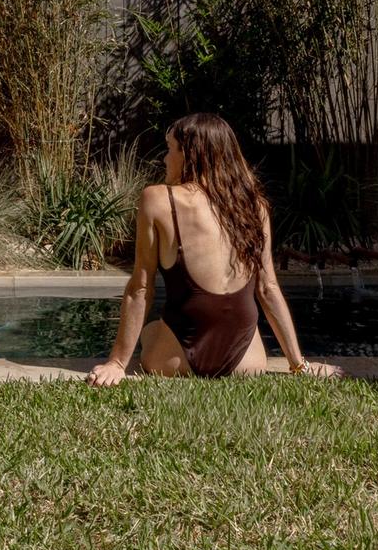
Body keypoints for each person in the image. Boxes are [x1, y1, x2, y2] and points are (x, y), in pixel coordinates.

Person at [89, 113, 340, 386]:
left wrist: (116, 363)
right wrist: (298, 364)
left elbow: (141, 288)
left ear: (190, 155)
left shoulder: (159, 199)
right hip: (247, 362)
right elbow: (268, 288)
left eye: (170, 149)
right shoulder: (255, 206)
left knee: (150, 331)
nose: (164, 159)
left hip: (177, 360)